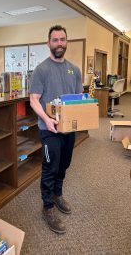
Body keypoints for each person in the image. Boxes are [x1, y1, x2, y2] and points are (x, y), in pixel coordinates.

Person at [29, 25, 83, 234]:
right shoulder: (41, 70)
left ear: (66, 42)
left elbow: (78, 100)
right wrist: (47, 119)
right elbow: (33, 100)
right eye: (55, 40)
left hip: (69, 129)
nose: (59, 43)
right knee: (50, 168)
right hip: (49, 129)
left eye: (62, 39)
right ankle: (48, 207)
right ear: (48, 43)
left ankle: (57, 195)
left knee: (64, 165)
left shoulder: (74, 70)